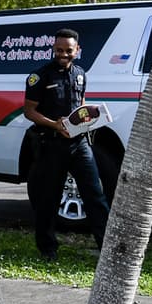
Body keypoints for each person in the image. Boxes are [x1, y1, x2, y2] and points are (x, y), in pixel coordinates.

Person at [23, 27, 110, 261]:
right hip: (51, 144)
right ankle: (48, 250)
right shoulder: (39, 76)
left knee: (95, 195)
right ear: (53, 49)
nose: (63, 54)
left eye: (68, 50)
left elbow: (80, 104)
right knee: (48, 199)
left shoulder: (81, 73)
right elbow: (29, 111)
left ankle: (107, 249)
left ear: (77, 50)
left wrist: (90, 117)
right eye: (59, 50)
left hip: (79, 144)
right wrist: (54, 124)